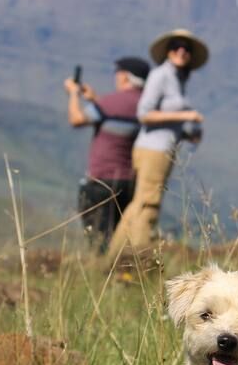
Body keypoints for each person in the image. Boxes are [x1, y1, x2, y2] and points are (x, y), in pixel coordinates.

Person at [108, 29, 208, 258]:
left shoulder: (176, 79)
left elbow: (164, 119)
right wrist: (186, 116)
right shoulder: (161, 75)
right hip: (153, 149)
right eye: (176, 46)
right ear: (168, 51)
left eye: (186, 48)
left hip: (163, 147)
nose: (182, 51)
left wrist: (186, 133)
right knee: (149, 203)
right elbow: (144, 113)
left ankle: (114, 258)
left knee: (139, 203)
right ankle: (139, 258)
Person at [64, 56, 150, 252]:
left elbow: (76, 119)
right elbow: (118, 114)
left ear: (125, 78)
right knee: (119, 236)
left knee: (98, 238)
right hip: (130, 182)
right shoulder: (146, 105)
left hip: (102, 180)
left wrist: (74, 94)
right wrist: (94, 98)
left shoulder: (111, 103)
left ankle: (101, 272)